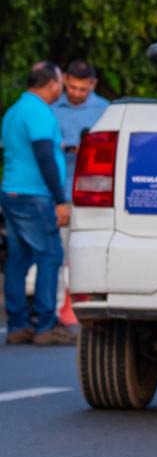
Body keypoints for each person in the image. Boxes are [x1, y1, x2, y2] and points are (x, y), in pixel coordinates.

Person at [3, 62, 75, 346]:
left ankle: (18, 325)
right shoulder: (39, 112)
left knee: (18, 260)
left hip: (12, 191)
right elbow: (45, 155)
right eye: (60, 83)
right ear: (52, 84)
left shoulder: (15, 110)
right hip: (34, 194)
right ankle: (46, 325)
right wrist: (59, 200)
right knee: (50, 256)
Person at [52, 59, 109, 201]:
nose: (76, 94)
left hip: (91, 188)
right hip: (55, 187)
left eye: (83, 89)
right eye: (72, 87)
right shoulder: (51, 107)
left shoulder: (105, 110)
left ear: (93, 84)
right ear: (64, 79)